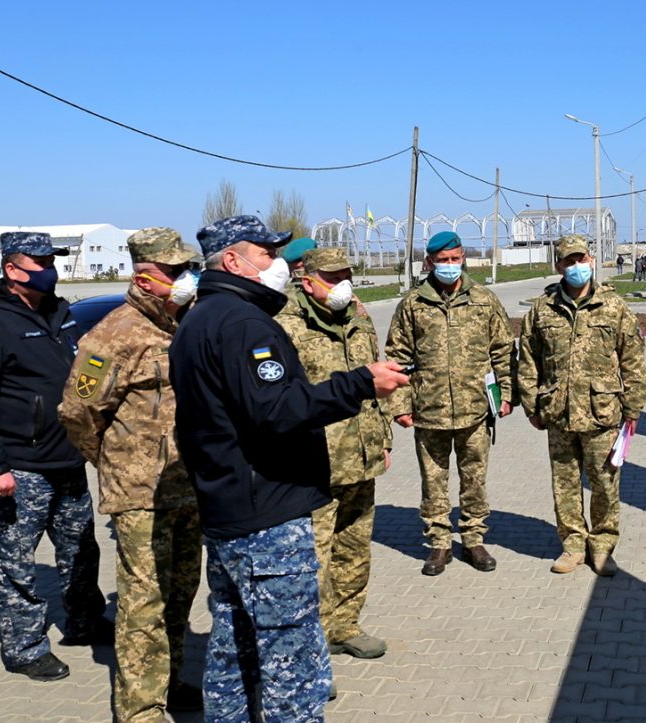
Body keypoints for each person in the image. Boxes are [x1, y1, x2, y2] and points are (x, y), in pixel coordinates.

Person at [168, 215, 408, 722]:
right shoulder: (243, 323)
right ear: (232, 260)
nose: (277, 263)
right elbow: (276, 410)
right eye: (265, 253)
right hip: (266, 512)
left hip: (230, 505)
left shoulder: (199, 317)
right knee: (291, 660)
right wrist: (359, 383)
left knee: (235, 644)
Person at [0, 231, 110, 682]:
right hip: (20, 467)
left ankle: (84, 622)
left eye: (51, 259)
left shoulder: (62, 313)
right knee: (18, 561)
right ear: (11, 270)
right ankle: (24, 647)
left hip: (69, 460)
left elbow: (86, 374)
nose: (48, 268)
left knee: (81, 550)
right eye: (38, 261)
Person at [59, 227, 203, 722]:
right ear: (144, 277)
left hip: (189, 487)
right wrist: (115, 463)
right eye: (175, 271)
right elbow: (78, 412)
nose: (186, 278)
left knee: (181, 592)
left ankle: (171, 681)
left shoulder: (185, 324)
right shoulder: (110, 336)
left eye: (188, 268)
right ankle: (139, 709)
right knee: (144, 603)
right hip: (139, 495)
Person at [276, 246, 391, 661]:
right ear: (307, 281)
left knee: (354, 551)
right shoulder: (286, 325)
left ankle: (345, 626)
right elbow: (280, 400)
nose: (343, 284)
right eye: (333, 276)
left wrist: (383, 438)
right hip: (314, 463)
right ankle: (310, 651)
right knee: (313, 561)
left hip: (361, 454)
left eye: (347, 275)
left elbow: (377, 377)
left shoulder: (358, 317)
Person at [385, 231, 515, 576]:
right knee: (434, 481)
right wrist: (400, 404)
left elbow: (502, 350)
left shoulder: (484, 300)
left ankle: (473, 540)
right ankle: (439, 544)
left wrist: (505, 395)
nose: (449, 266)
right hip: (429, 411)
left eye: (455, 259)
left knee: (474, 479)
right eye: (442, 261)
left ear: (463, 258)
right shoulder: (413, 304)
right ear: (428, 263)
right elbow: (397, 356)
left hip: (475, 409)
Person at [517, 235, 646, 576]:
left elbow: (632, 359)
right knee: (565, 484)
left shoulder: (613, 307)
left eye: (582, 259)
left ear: (592, 260)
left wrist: (632, 409)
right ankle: (573, 545)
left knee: (605, 483)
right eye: (569, 261)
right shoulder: (542, 310)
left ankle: (602, 547)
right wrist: (531, 405)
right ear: (558, 266)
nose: (577, 267)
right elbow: (527, 359)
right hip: (557, 413)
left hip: (601, 413)